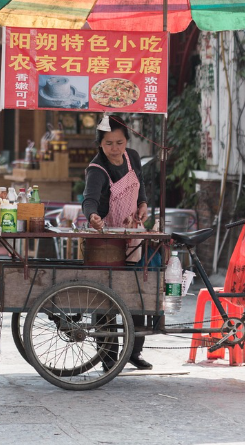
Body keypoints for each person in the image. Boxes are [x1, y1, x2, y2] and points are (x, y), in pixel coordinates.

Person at [82, 117, 152, 371]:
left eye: (119, 142)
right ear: (100, 144)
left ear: (127, 141)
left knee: (136, 292)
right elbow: (89, 199)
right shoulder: (96, 169)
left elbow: (140, 186)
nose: (115, 148)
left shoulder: (132, 156)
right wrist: (92, 216)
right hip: (105, 240)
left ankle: (134, 351)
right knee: (106, 298)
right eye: (108, 143)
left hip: (132, 234)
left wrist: (143, 205)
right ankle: (108, 355)